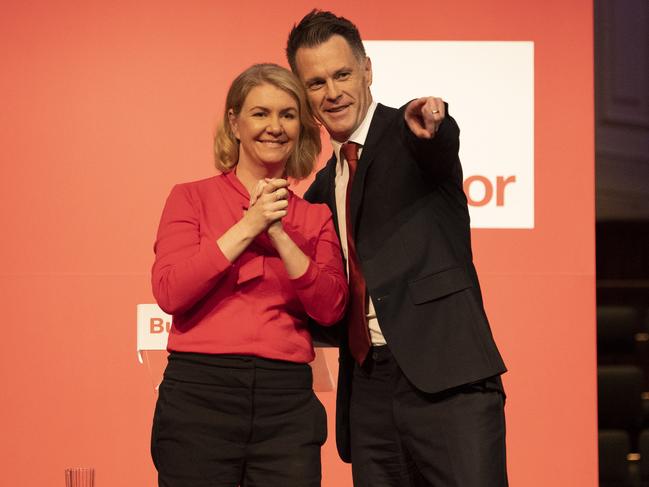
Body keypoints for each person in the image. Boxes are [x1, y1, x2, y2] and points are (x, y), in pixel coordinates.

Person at [286, 10, 508, 486]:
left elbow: (438, 139)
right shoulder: (322, 189)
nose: (333, 92)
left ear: (367, 70)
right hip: (368, 392)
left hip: (448, 380)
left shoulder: (409, 137)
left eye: (343, 74)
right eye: (317, 82)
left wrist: (434, 122)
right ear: (303, 95)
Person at [150, 63, 348, 487]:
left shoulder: (315, 217)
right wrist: (249, 225)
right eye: (260, 113)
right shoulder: (191, 198)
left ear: (300, 127)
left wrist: (277, 232)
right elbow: (170, 290)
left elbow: (331, 307)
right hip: (200, 394)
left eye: (288, 114)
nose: (274, 127)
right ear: (234, 122)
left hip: (286, 402)